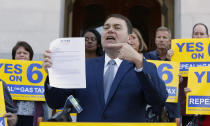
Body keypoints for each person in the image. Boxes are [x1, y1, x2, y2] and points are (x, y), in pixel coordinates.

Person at [43, 14, 168, 122]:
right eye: (106, 27)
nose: (110, 30)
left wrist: (139, 60)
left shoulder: (141, 67)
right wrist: (53, 75)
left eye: (117, 27)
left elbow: (159, 99)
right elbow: (56, 102)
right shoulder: (84, 66)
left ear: (129, 38)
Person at [144, 27, 180, 124]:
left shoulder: (177, 57)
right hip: (153, 108)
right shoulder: (148, 57)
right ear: (155, 40)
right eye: (159, 37)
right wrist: (167, 61)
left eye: (164, 37)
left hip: (172, 107)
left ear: (170, 41)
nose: (161, 40)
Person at [182, 23, 209, 126]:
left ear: (208, 36)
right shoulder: (182, 55)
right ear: (192, 36)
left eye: (202, 34)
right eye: (196, 34)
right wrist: (172, 58)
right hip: (189, 110)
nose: (198, 36)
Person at [12, 41, 44, 126]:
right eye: (19, 53)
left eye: (25, 53)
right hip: (13, 116)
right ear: (14, 56)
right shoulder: (7, 72)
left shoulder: (38, 72)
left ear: (30, 57)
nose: (22, 55)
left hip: (33, 116)